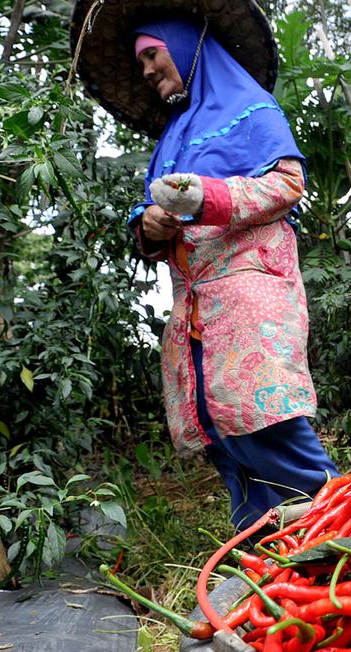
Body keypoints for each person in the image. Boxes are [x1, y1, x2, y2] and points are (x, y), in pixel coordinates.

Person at [121, 17, 336, 528]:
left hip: (247, 301)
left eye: (152, 54)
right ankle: (268, 565)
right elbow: (154, 208)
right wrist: (149, 223)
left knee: (265, 427)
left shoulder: (252, 109)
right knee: (225, 437)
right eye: (141, 63)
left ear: (183, 46)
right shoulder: (172, 135)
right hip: (193, 309)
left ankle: (349, 532)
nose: (147, 70)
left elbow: (287, 186)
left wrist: (206, 197)